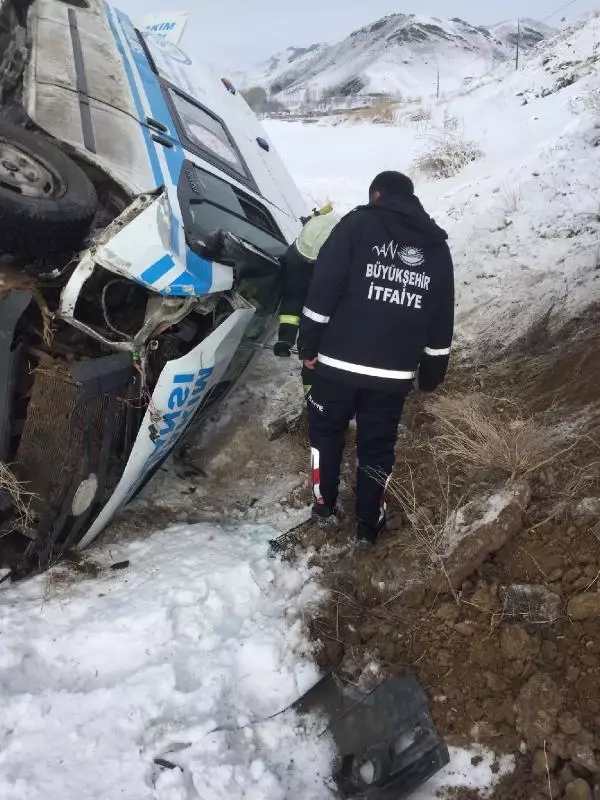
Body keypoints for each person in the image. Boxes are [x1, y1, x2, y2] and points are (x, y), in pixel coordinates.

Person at [297, 171, 454, 547]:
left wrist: (308, 347)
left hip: (336, 365)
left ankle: (324, 507)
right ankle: (369, 524)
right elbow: (441, 312)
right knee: (377, 446)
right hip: (393, 374)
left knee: (325, 433)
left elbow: (323, 288)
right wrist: (433, 371)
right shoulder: (436, 247)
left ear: (377, 194)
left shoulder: (357, 223)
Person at [274, 206, 341, 393]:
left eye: (313, 264)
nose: (308, 266)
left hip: (338, 330)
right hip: (313, 325)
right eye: (307, 262)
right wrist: (285, 338)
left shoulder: (348, 266)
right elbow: (292, 297)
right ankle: (311, 408)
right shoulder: (296, 257)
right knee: (310, 369)